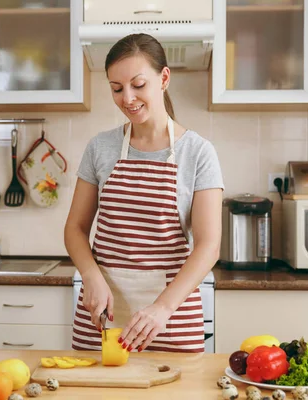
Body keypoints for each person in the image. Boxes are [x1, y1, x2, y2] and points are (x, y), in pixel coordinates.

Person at [64, 33, 224, 353]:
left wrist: (162, 309)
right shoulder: (101, 147)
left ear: (163, 78)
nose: (127, 98)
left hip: (171, 321)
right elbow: (75, 229)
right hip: (102, 321)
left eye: (138, 85)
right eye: (117, 88)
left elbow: (209, 246)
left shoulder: (198, 152)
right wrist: (90, 276)